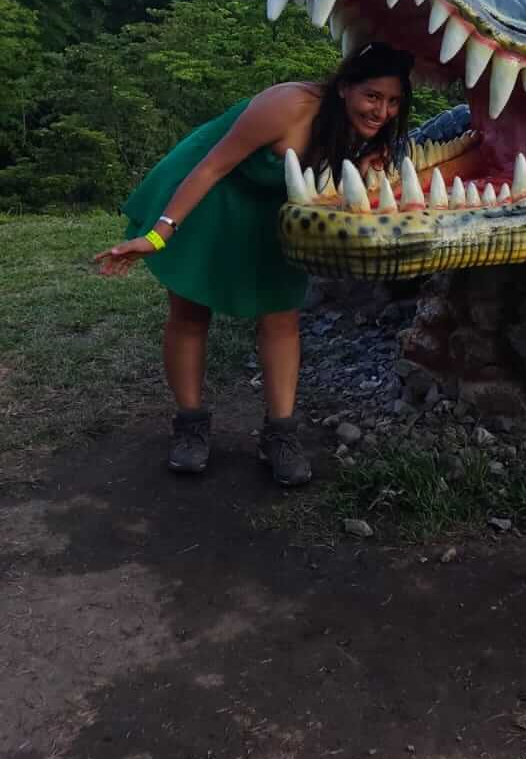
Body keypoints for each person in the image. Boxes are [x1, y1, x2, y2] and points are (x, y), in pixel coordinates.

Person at [96, 43, 413, 485]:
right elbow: (211, 167)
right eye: (373, 96)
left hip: (271, 210)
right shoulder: (290, 104)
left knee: (281, 314)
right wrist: (158, 234)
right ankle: (190, 426)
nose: (382, 111)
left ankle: (279, 434)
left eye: (393, 101)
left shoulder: (368, 134)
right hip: (209, 192)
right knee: (190, 310)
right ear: (344, 88)